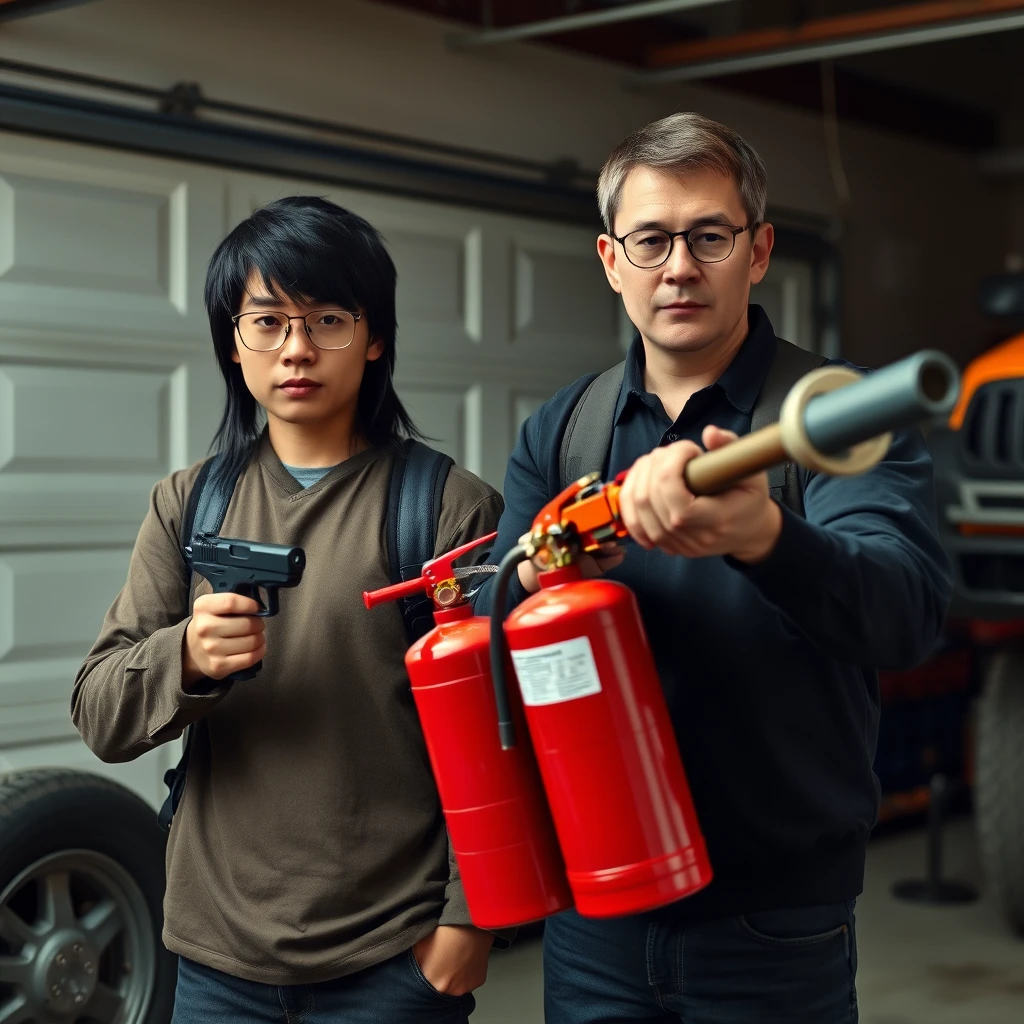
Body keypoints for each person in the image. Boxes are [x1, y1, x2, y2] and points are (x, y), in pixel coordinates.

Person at [474, 113, 952, 1023]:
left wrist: (766, 536)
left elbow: (906, 614)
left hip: (775, 923)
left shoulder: (833, 414)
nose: (680, 266)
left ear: (759, 250)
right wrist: (542, 578)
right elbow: (493, 636)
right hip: (596, 916)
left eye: (709, 236)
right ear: (612, 260)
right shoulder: (565, 430)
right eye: (652, 240)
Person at [72, 196, 503, 1023]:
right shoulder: (188, 504)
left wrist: (466, 926)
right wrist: (186, 659)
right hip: (214, 958)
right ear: (233, 345)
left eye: (328, 320)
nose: (297, 348)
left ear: (374, 338)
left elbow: (500, 737)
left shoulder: (448, 512)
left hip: (390, 958)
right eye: (267, 321)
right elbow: (100, 714)